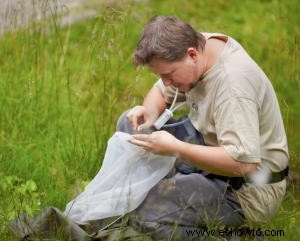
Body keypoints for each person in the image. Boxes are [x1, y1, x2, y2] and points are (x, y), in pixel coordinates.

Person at [115, 15, 289, 240]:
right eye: (160, 75)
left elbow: (244, 163)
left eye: (168, 75)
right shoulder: (196, 48)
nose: (165, 82)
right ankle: (172, 195)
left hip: (246, 189)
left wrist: (176, 149)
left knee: (148, 212)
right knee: (129, 125)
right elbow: (160, 92)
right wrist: (149, 113)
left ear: (192, 55)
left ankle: (235, 235)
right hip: (208, 142)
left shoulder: (233, 88)